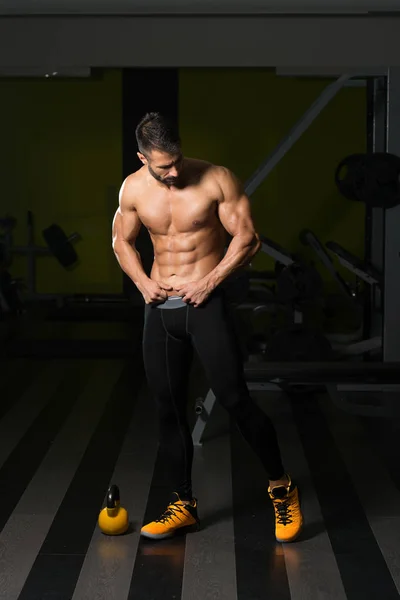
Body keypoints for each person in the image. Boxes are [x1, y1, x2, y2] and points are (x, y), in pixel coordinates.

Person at [112, 112, 303, 543]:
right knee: (168, 409)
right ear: (142, 158)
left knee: (236, 400)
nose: (175, 171)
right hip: (160, 308)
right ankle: (183, 504)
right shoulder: (133, 188)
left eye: (177, 159)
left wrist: (210, 281)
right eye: (163, 166)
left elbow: (248, 238)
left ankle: (282, 488)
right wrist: (143, 283)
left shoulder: (216, 179)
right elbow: (121, 240)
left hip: (206, 303)